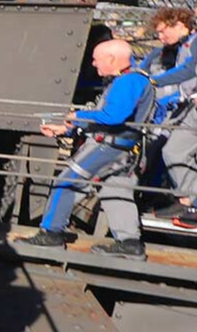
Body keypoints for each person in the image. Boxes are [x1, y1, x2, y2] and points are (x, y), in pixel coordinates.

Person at [24, 39, 156, 259]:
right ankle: (130, 243)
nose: (94, 64)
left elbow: (113, 116)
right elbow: (109, 118)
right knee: (116, 191)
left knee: (66, 182)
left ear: (111, 59)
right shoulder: (133, 79)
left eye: (96, 59)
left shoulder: (128, 81)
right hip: (125, 150)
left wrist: (77, 116)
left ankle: (51, 234)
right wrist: (66, 129)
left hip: (108, 147)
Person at [150, 2, 197, 216]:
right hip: (196, 107)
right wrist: (153, 81)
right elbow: (190, 69)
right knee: (173, 151)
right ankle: (188, 198)